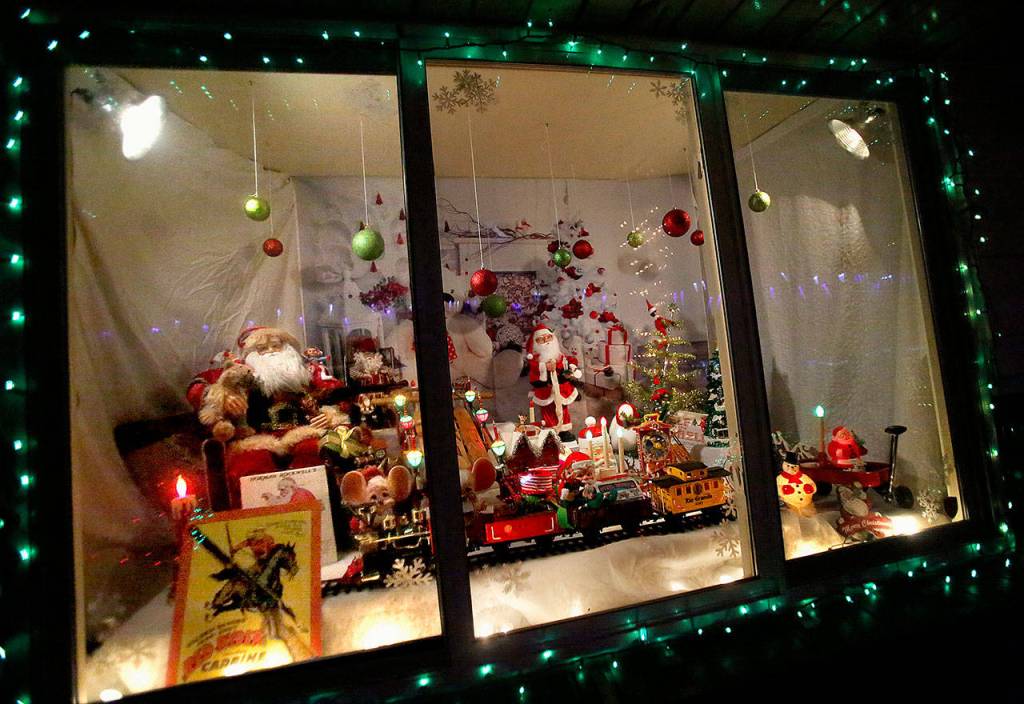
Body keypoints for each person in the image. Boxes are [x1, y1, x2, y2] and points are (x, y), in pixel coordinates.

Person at [526, 324, 583, 442]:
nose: (546, 341)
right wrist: (544, 366)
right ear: (536, 343)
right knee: (548, 412)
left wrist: (571, 367)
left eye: (548, 338)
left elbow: (568, 361)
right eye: (541, 339)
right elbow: (534, 370)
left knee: (563, 409)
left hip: (561, 389)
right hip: (545, 390)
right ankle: (551, 431)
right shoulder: (535, 359)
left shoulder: (559, 355)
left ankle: (564, 430)